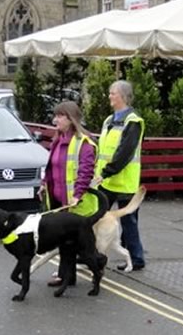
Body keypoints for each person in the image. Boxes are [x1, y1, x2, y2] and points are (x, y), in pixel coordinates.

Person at [40, 101, 98, 287]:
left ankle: (94, 270)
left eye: (59, 116)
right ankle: (67, 276)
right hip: (58, 200)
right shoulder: (58, 140)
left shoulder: (84, 143)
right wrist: (43, 184)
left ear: (70, 119)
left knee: (77, 244)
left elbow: (85, 172)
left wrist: (77, 194)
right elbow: (52, 168)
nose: (55, 119)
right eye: (55, 115)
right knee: (64, 241)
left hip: (75, 203)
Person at [93, 80, 146, 271]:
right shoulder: (109, 120)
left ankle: (136, 258)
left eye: (112, 93)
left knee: (128, 222)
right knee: (96, 216)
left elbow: (125, 152)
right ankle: (93, 254)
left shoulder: (134, 121)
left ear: (123, 96)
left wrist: (106, 172)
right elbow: (103, 149)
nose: (109, 96)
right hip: (106, 180)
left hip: (123, 181)